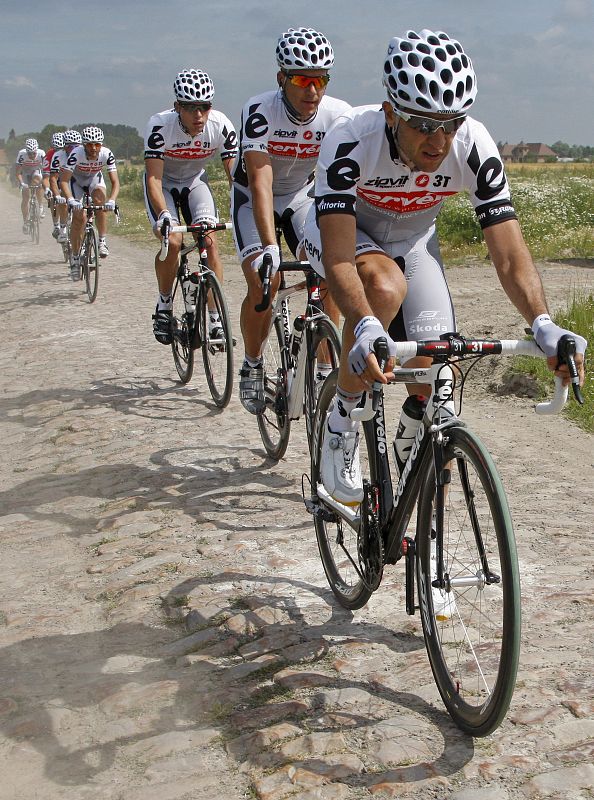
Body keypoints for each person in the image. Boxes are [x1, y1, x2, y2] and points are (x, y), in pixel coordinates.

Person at [302, 28, 587, 507]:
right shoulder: (352, 137)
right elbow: (337, 257)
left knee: (437, 375)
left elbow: (510, 255)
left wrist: (543, 323)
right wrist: (366, 322)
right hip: (348, 238)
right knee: (383, 287)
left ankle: (414, 439)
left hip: (414, 242)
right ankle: (341, 421)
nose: (439, 141)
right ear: (391, 112)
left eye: (451, 122)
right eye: (422, 124)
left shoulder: (471, 145)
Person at [232, 26, 351, 414]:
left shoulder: (337, 115)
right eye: (301, 78)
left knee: (330, 268)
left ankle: (321, 367)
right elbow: (261, 181)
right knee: (267, 281)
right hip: (255, 199)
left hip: (301, 197)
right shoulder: (260, 109)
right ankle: (251, 363)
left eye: (320, 79)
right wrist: (269, 247)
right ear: (281, 78)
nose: (312, 89)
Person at [144, 69, 237, 345]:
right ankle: (163, 304)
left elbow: (235, 177)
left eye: (204, 107)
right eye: (191, 108)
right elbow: (153, 178)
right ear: (177, 107)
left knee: (209, 239)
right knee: (172, 241)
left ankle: (215, 318)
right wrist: (163, 215)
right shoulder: (160, 126)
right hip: (164, 184)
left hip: (195, 182)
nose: (199, 115)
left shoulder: (220, 126)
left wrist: (245, 208)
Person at [60, 126, 120, 279]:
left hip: (94, 180)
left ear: (101, 144)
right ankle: (74, 257)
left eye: (97, 144)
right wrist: (71, 200)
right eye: (89, 144)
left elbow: (115, 182)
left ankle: (102, 241)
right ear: (83, 145)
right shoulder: (76, 154)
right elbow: (64, 181)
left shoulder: (107, 154)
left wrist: (112, 200)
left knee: (101, 203)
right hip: (77, 182)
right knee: (79, 217)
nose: (94, 148)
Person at [50, 129, 82, 245]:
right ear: (64, 147)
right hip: (65, 181)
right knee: (63, 198)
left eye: (76, 146)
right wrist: (57, 195)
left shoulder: (83, 154)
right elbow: (53, 178)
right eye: (69, 147)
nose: (73, 150)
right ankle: (63, 228)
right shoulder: (58, 156)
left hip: (79, 181)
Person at [15, 138, 48, 233]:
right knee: (25, 197)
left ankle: (41, 206)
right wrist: (22, 183)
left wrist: (44, 182)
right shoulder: (22, 154)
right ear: (26, 151)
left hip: (36, 171)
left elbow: (45, 169)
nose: (32, 156)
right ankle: (25, 221)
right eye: (30, 154)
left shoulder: (41, 153)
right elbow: (18, 173)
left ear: (37, 150)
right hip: (25, 173)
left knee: (38, 182)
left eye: (34, 153)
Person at [44, 132, 66, 239]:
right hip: (55, 178)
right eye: (56, 149)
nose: (59, 152)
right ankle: (56, 225)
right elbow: (46, 177)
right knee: (53, 197)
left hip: (67, 178)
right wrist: (47, 188)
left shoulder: (72, 152)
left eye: (62, 148)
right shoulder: (49, 155)